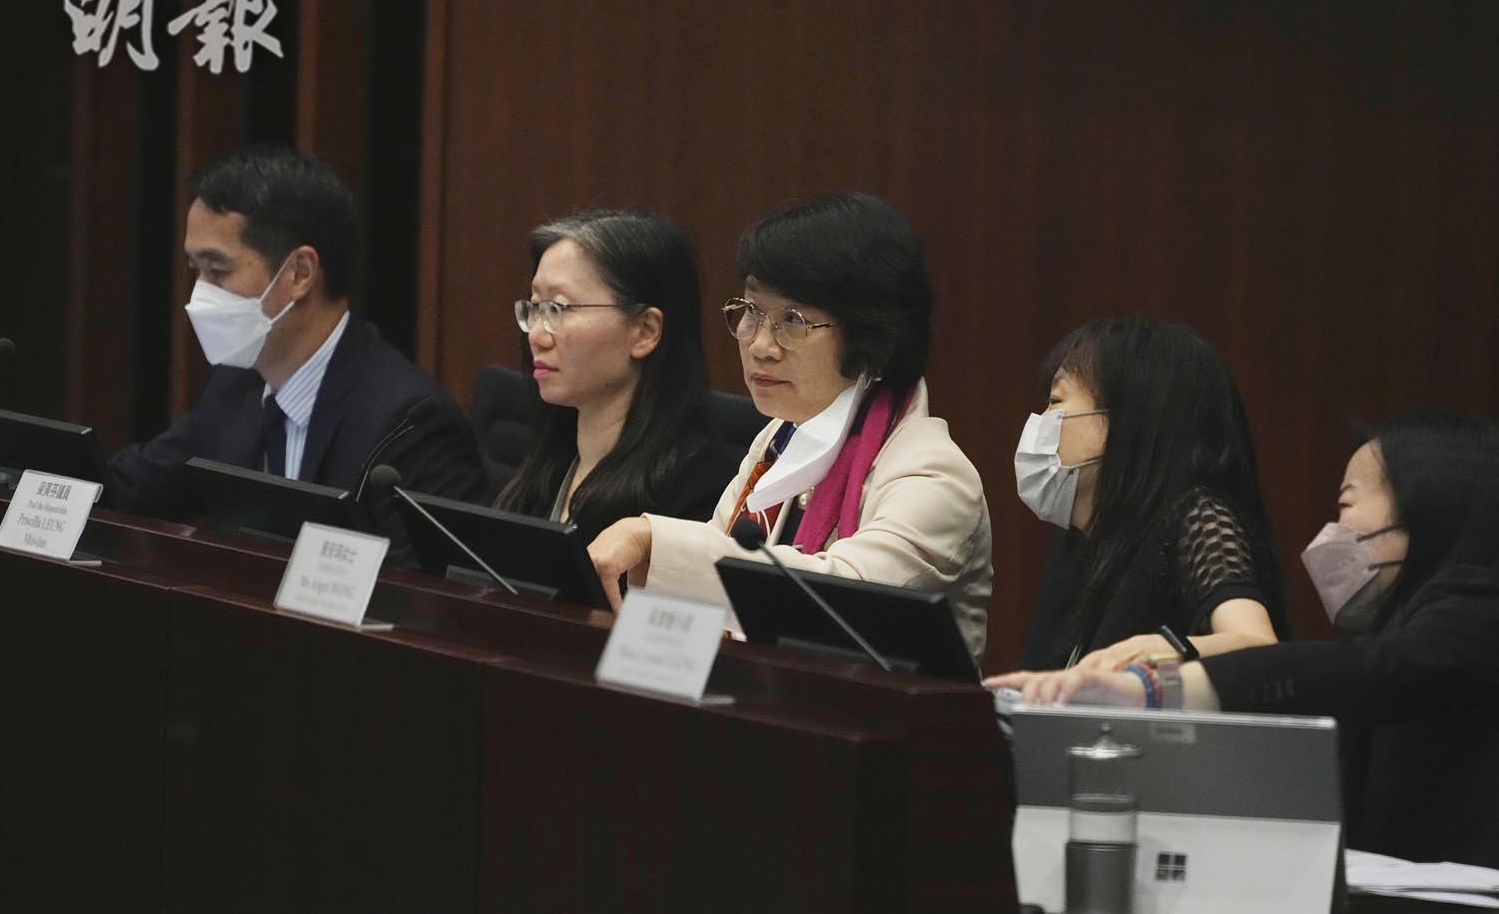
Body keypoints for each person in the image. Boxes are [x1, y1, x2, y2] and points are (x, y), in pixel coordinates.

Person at [989, 413, 1499, 866]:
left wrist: (1155, 688)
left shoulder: (1479, 606)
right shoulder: (1413, 621)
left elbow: (1368, 671)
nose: (1333, 529)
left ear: (1427, 506)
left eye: (1346, 503)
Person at [587, 193, 992, 662]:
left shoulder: (935, 475)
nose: (760, 345)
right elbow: (714, 587)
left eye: (793, 321)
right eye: (752, 312)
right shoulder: (780, 437)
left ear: (872, 337)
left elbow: (844, 598)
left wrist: (656, 541)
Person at [111, 145, 485, 523]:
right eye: (196, 270)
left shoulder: (408, 424)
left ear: (300, 273)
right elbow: (131, 490)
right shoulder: (234, 387)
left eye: (218, 271)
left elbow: (417, 563)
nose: (199, 295)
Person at [1015, 316, 1287, 671]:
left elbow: (1258, 646)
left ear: (1127, 418)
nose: (1041, 420)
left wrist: (1159, 648)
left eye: (1056, 400)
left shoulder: (1198, 516)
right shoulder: (1082, 544)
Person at [494, 209, 740, 545]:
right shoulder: (546, 467)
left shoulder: (698, 493)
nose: (536, 335)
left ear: (645, 331)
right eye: (536, 306)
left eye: (559, 308)